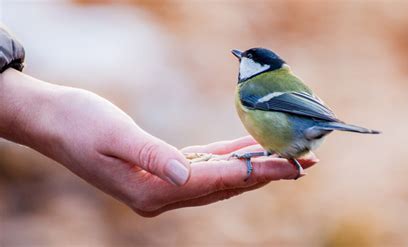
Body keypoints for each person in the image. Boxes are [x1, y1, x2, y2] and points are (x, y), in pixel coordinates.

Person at [0, 25, 317, 216]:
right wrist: (43, 113)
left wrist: (43, 111)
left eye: (245, 58)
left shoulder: (253, 87)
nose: (239, 59)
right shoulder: (260, 85)